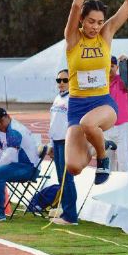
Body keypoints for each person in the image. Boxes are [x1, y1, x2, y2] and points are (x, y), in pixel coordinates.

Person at [64, 0, 128, 186]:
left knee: (89, 124)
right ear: (81, 21)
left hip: (103, 104)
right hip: (77, 106)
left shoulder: (106, 35)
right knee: (73, 167)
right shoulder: (73, 39)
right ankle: (99, 144)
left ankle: (103, 159)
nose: (95, 27)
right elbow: (76, 5)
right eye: (90, 21)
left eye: (99, 22)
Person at [0, 108, 40, 222]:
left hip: (29, 168)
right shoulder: (4, 130)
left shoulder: (15, 131)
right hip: (18, 165)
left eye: (0, 121)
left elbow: (10, 155)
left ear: (7, 117)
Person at [48, 70, 79, 226]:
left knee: (67, 179)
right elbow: (54, 122)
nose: (61, 83)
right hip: (57, 142)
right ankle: (66, 211)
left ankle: (71, 216)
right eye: (58, 80)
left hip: (67, 142)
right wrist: (50, 143)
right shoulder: (57, 98)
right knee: (62, 178)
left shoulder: (72, 99)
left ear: (71, 81)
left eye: (64, 80)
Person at [105, 55, 128, 172]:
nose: (110, 68)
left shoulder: (122, 80)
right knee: (107, 159)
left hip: (121, 125)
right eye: (107, 65)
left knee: (123, 158)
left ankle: (126, 185)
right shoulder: (101, 84)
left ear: (117, 67)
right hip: (106, 126)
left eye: (112, 66)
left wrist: (126, 64)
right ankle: (109, 184)